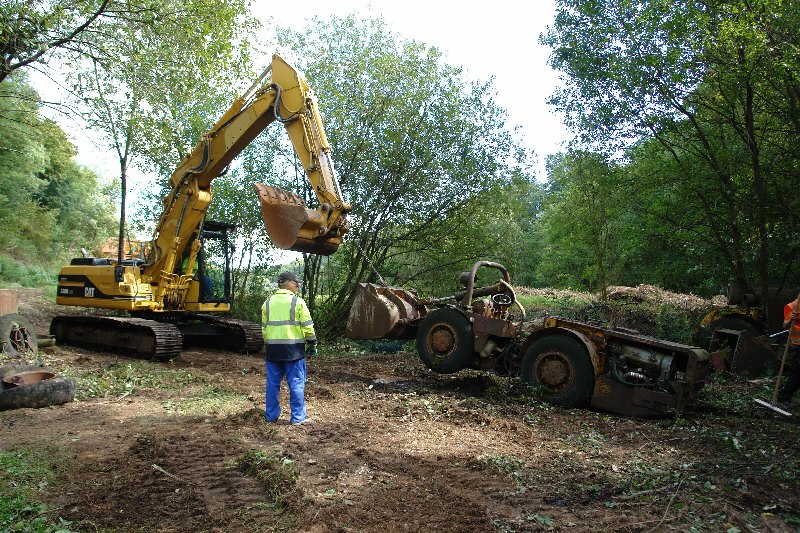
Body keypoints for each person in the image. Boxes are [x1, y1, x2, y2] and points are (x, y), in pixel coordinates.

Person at [261, 271, 317, 424]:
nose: (297, 285)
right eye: (295, 282)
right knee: (296, 383)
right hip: (293, 351)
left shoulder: (267, 303)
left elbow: (264, 329)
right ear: (287, 282)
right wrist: (312, 342)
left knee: (272, 384)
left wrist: (269, 344)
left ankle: (271, 416)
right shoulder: (297, 302)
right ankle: (298, 417)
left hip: (273, 350)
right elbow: (307, 326)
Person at [777, 296, 800, 404]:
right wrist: (791, 319)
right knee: (797, 372)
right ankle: (784, 396)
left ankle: (785, 396)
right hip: (798, 343)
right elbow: (785, 325)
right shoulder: (793, 306)